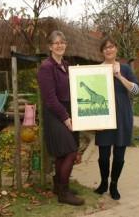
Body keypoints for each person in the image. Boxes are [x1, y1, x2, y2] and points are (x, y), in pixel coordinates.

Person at [37, 30, 84, 206]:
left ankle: (58, 186)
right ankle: (63, 194)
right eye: (56, 43)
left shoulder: (65, 65)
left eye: (62, 42)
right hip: (55, 114)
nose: (60, 45)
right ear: (50, 46)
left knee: (61, 155)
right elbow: (50, 99)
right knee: (70, 151)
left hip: (67, 111)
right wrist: (66, 119)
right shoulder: (46, 67)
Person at [94, 36, 139, 200]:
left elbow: (136, 91)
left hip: (122, 116)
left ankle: (114, 185)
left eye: (111, 46)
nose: (109, 49)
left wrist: (119, 76)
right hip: (104, 118)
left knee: (119, 155)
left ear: (116, 49)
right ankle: (103, 183)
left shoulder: (126, 69)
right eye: (105, 47)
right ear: (102, 51)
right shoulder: (96, 69)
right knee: (103, 155)